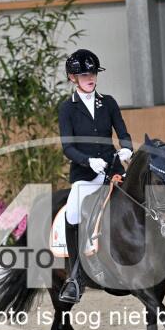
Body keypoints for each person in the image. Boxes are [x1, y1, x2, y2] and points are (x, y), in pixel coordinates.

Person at [57, 49, 133, 303]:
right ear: (73, 78)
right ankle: (75, 275)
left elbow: (122, 133)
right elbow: (68, 147)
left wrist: (126, 148)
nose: (90, 78)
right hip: (85, 174)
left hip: (113, 170)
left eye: (92, 74)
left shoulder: (108, 102)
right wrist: (88, 161)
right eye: (84, 75)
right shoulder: (67, 108)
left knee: (140, 200)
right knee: (72, 212)